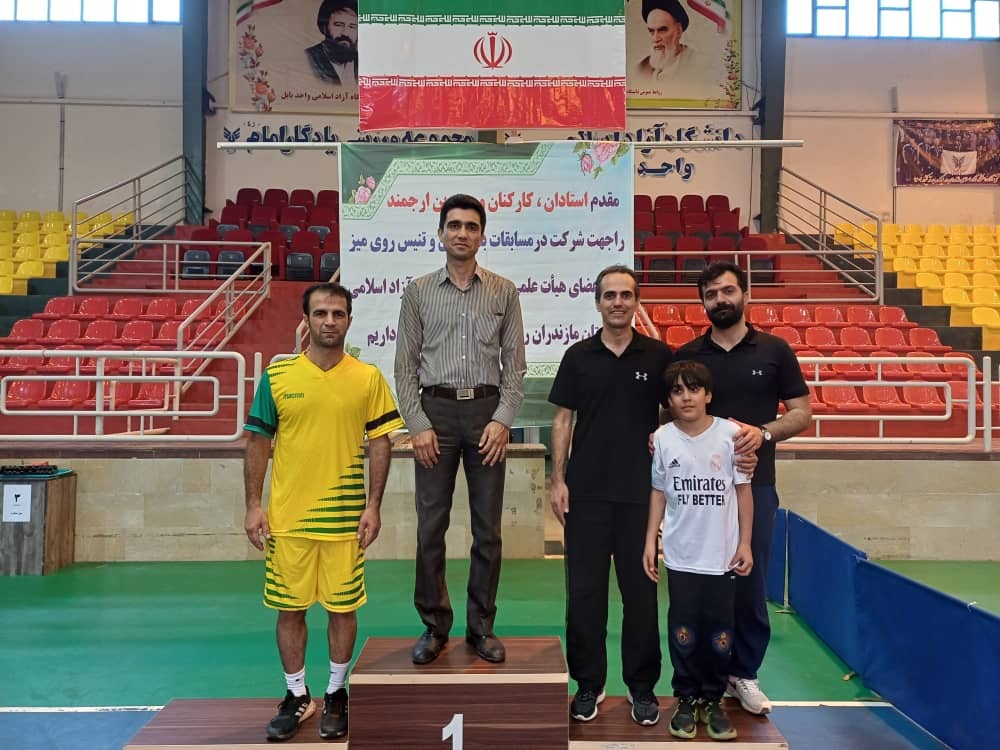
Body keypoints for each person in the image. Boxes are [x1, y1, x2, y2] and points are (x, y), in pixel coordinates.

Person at [244, 282, 404, 742]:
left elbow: (380, 443)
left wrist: (373, 505)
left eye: (338, 313)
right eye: (320, 313)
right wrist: (253, 505)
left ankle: (336, 692)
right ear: (306, 320)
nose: (329, 321)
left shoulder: (367, 377)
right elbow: (258, 441)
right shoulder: (278, 376)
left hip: (345, 523)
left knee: (342, 609)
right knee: (290, 609)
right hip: (288, 521)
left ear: (349, 320)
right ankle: (297, 695)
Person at [394, 193, 526, 666]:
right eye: (454, 225)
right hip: (436, 416)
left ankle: (481, 626)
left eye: (471, 226)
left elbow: (515, 367)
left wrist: (502, 420)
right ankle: (434, 625)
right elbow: (404, 368)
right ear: (441, 233)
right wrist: (418, 424)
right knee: (431, 526)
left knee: (488, 529)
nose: (462, 233)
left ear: (482, 235)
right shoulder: (418, 292)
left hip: (487, 415)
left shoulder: (504, 292)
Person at [675, 261, 811, 716]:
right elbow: (670, 415)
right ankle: (698, 679)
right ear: (703, 302)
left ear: (745, 295)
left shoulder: (775, 351)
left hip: (756, 487)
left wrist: (763, 433)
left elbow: (801, 412)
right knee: (700, 589)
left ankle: (744, 674)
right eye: (711, 294)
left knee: (749, 585)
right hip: (697, 494)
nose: (721, 300)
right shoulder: (689, 357)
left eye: (728, 291)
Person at [548, 265, 673, 726]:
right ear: (597, 302)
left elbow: (677, 413)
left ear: (636, 301)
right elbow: (563, 419)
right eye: (610, 295)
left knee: (640, 596)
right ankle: (588, 684)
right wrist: (557, 480)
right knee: (585, 596)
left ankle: (642, 689)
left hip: (641, 496)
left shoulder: (659, 356)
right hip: (586, 495)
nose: (618, 302)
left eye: (626, 295)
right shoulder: (577, 356)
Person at [643, 360, 754, 741]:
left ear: (708, 394)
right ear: (668, 399)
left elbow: (743, 491)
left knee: (720, 632)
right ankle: (687, 698)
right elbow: (658, 492)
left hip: (721, 556)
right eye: (677, 391)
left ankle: (713, 698)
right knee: (684, 631)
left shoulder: (731, 435)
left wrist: (745, 542)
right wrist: (650, 539)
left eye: (693, 389)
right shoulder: (663, 438)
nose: (686, 397)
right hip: (681, 557)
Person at [635, 0, 697, 82]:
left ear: (678, 31)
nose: (655, 39)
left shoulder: (697, 63)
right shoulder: (643, 67)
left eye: (662, 30)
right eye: (651, 31)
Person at [305, 0, 358, 86]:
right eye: (338, 25)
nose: (345, 33)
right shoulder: (308, 58)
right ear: (325, 27)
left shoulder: (362, 62)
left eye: (352, 26)